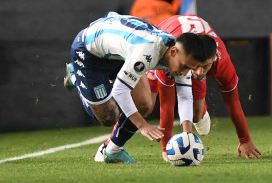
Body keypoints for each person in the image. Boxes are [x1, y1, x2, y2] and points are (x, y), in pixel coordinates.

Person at [63, 12, 217, 164]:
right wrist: (142, 126)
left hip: (121, 54)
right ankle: (76, 77)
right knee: (108, 117)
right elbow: (120, 90)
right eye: (184, 67)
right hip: (90, 53)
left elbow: (184, 96)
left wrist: (187, 132)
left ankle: (113, 151)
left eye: (189, 69)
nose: (185, 72)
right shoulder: (147, 52)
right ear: (173, 52)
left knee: (144, 104)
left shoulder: (182, 58)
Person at [152, 15, 262, 161]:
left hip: (191, 44)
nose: (200, 72)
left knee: (196, 115)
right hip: (164, 34)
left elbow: (233, 101)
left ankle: (201, 109)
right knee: (146, 103)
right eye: (196, 66)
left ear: (214, 59)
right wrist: (165, 149)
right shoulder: (171, 55)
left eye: (206, 66)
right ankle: (114, 145)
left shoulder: (222, 63)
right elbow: (166, 103)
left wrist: (245, 139)